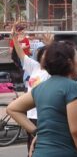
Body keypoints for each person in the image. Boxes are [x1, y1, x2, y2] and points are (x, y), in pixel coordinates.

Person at [6, 41, 77, 157]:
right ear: (69, 62)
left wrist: (37, 132)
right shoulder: (72, 88)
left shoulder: (40, 88)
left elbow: (12, 108)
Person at [10, 23, 51, 153]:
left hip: (45, 115)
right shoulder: (34, 66)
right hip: (31, 114)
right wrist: (15, 39)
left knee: (43, 146)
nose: (44, 56)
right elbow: (21, 54)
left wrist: (50, 45)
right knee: (31, 147)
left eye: (47, 54)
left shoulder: (52, 71)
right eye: (42, 54)